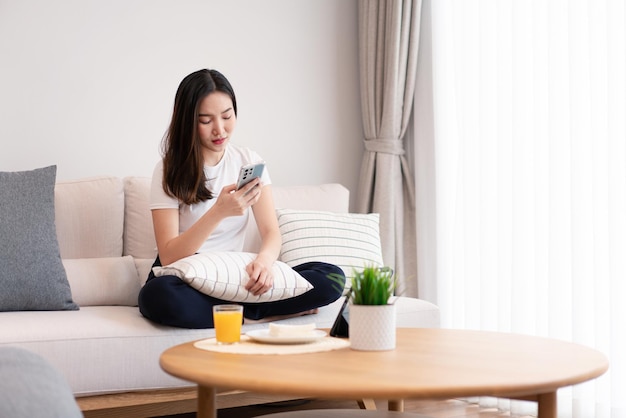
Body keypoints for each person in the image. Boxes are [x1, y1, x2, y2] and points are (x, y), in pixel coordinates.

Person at [138, 69, 345, 329]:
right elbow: (169, 256)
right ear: (187, 121)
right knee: (157, 297)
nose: (220, 129)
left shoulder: (249, 161)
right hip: (187, 275)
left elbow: (271, 232)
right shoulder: (168, 169)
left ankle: (232, 313)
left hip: (233, 275)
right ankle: (257, 315)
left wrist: (264, 262)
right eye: (205, 120)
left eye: (227, 116)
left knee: (332, 276)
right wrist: (219, 212)